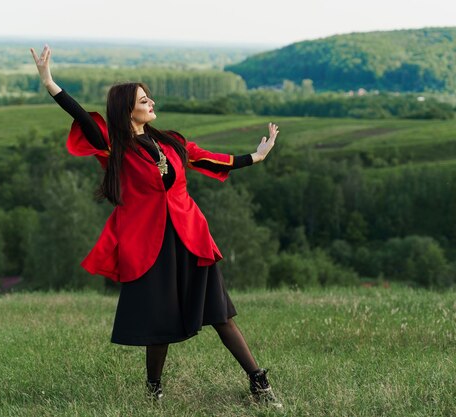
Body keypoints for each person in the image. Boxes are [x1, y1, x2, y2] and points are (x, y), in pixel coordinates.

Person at [30, 45, 282, 408]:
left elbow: (207, 157)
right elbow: (84, 120)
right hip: (150, 243)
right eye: (143, 100)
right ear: (127, 110)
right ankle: (154, 389)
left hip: (191, 237)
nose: (151, 103)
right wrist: (49, 82)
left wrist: (255, 157)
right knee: (158, 320)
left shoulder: (171, 142)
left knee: (221, 313)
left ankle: (259, 384)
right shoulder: (116, 147)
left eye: (149, 98)